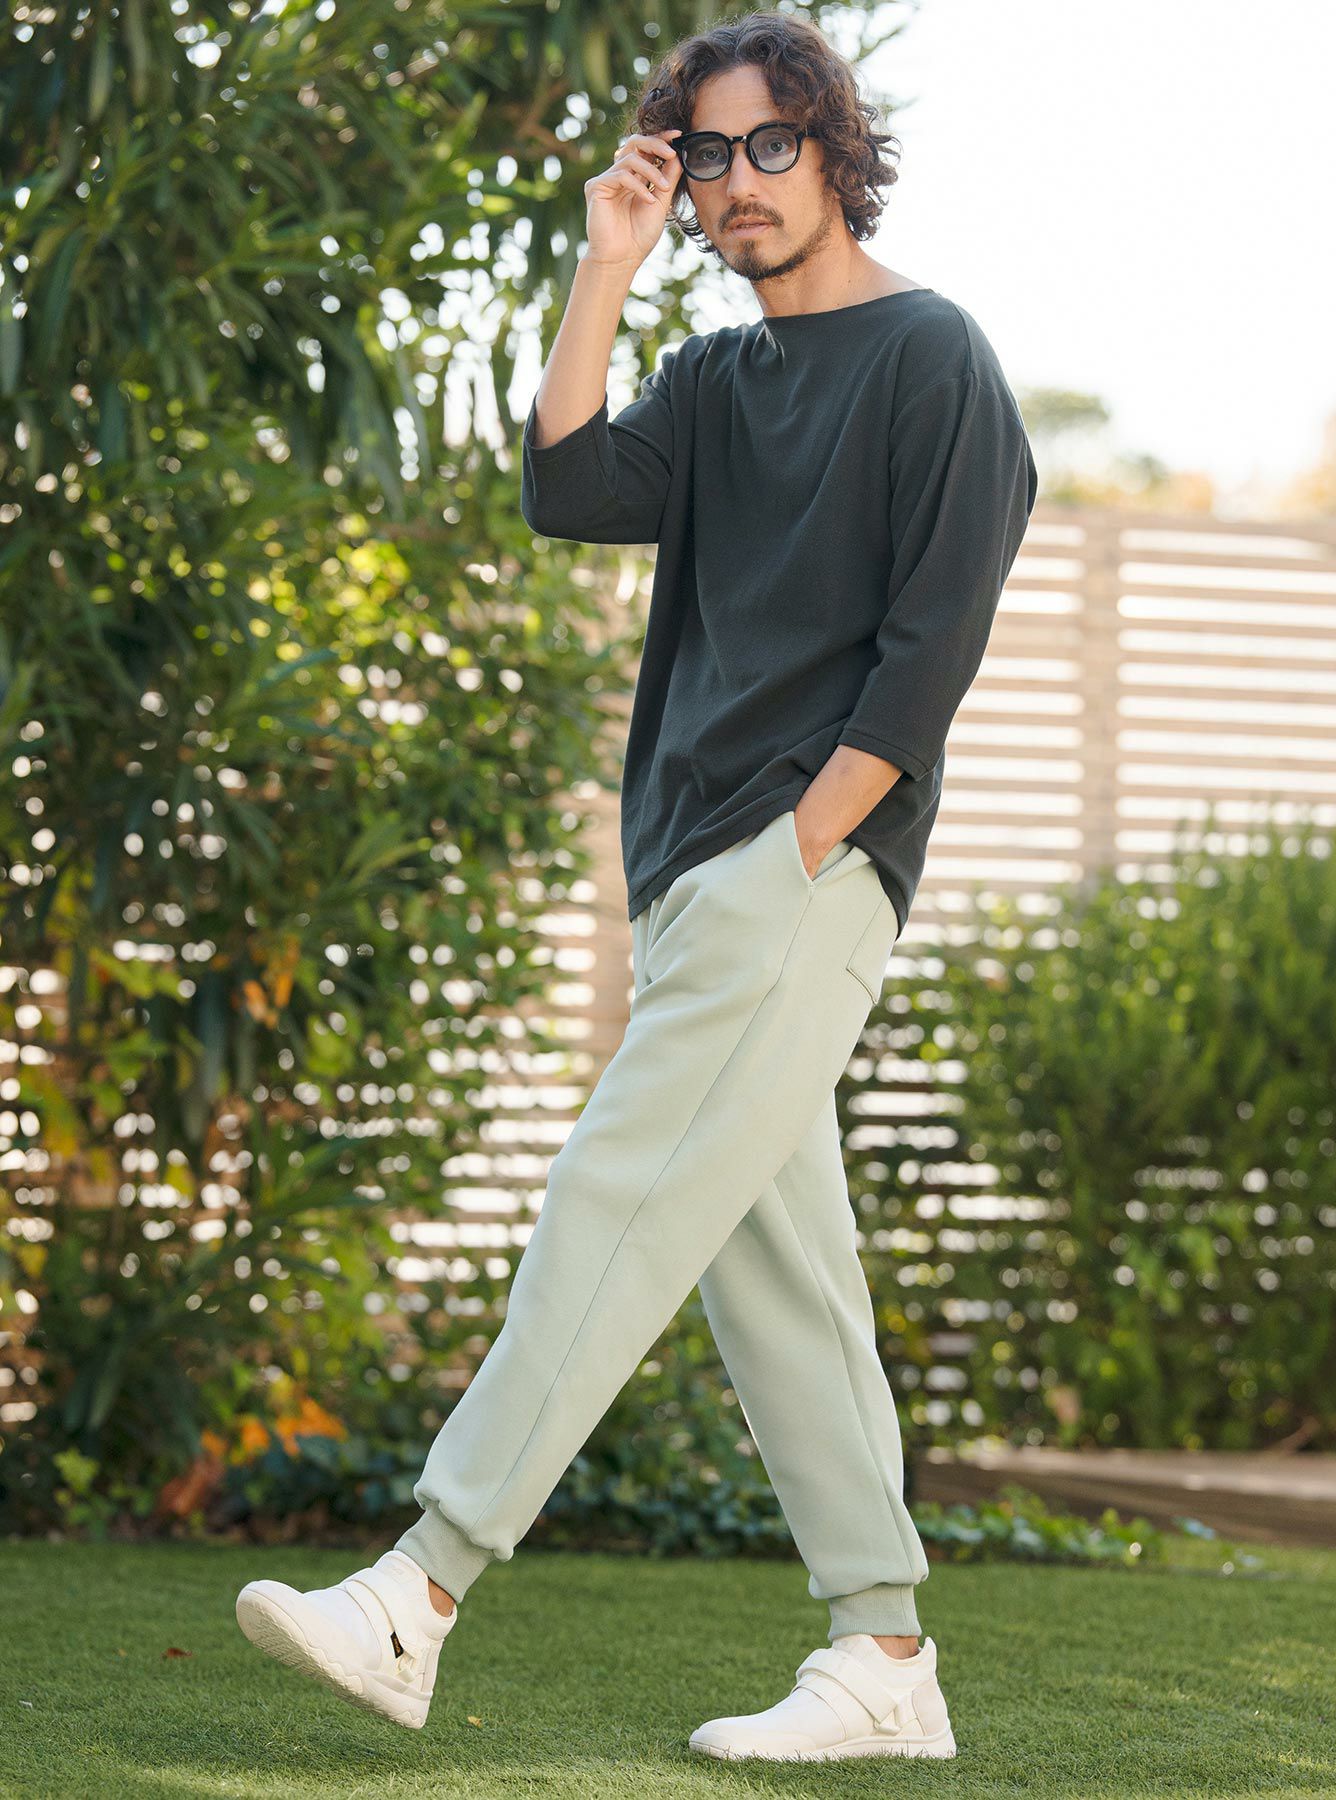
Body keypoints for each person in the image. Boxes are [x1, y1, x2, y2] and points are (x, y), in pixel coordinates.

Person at [235, 8, 1036, 1762]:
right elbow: (569, 482)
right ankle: (885, 1656)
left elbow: (933, 645)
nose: (739, 183)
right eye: (710, 156)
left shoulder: (934, 357)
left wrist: (814, 837)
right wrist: (607, 257)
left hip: (795, 866)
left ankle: (420, 1588)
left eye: (772, 145)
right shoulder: (717, 377)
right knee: (780, 1276)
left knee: (611, 1197)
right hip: (689, 868)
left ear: (836, 150)